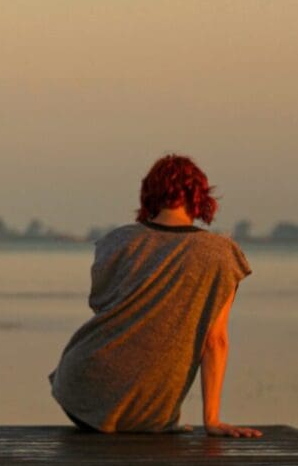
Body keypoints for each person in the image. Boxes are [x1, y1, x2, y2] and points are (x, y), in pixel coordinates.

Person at [48, 154, 262, 438]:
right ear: (199, 196)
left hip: (80, 388)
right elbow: (216, 340)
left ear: (149, 195)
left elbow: (100, 304)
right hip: (145, 407)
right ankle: (148, 418)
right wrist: (212, 420)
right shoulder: (221, 254)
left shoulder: (117, 240)